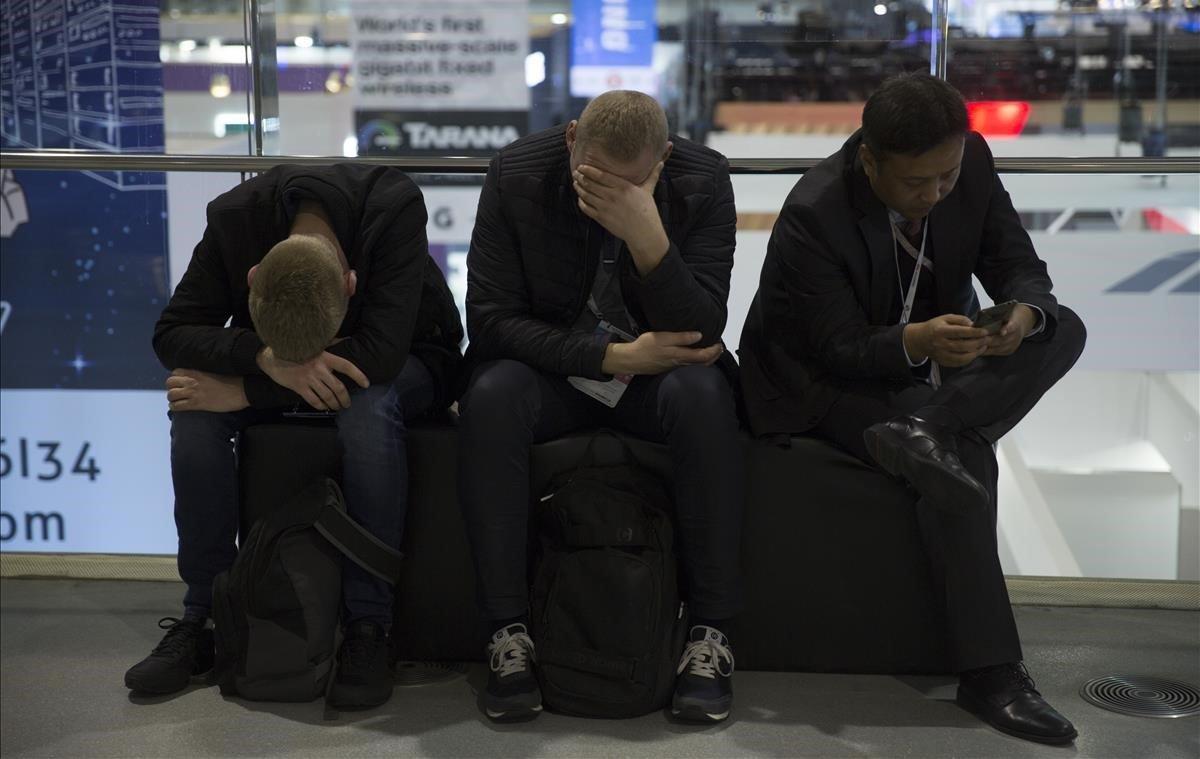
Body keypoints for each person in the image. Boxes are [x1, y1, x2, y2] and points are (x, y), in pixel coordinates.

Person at [739, 73, 1087, 746]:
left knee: (1062, 326)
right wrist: (913, 341)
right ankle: (991, 673)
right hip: (818, 381)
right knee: (962, 458)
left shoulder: (973, 162)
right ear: (869, 159)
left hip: (924, 369)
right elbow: (834, 345)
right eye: (914, 184)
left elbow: (1017, 261)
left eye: (946, 178)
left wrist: (1021, 310)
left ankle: (926, 424)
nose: (933, 195)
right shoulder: (815, 209)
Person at [125, 164, 463, 709]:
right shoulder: (233, 218)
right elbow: (172, 333)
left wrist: (251, 392)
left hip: (410, 354)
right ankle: (206, 614)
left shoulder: (393, 206)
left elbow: (379, 354)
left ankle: (369, 625)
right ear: (254, 277)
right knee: (193, 412)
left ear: (351, 284)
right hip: (272, 361)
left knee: (367, 407)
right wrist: (264, 360)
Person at [458, 90, 743, 723]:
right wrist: (611, 359)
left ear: (663, 160)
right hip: (559, 369)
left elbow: (702, 327)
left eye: (631, 184)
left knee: (705, 396)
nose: (608, 195)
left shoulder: (704, 179)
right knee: (490, 396)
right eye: (593, 178)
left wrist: (648, 237)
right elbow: (492, 321)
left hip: (659, 374)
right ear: (570, 141)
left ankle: (711, 634)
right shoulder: (515, 174)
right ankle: (507, 633)